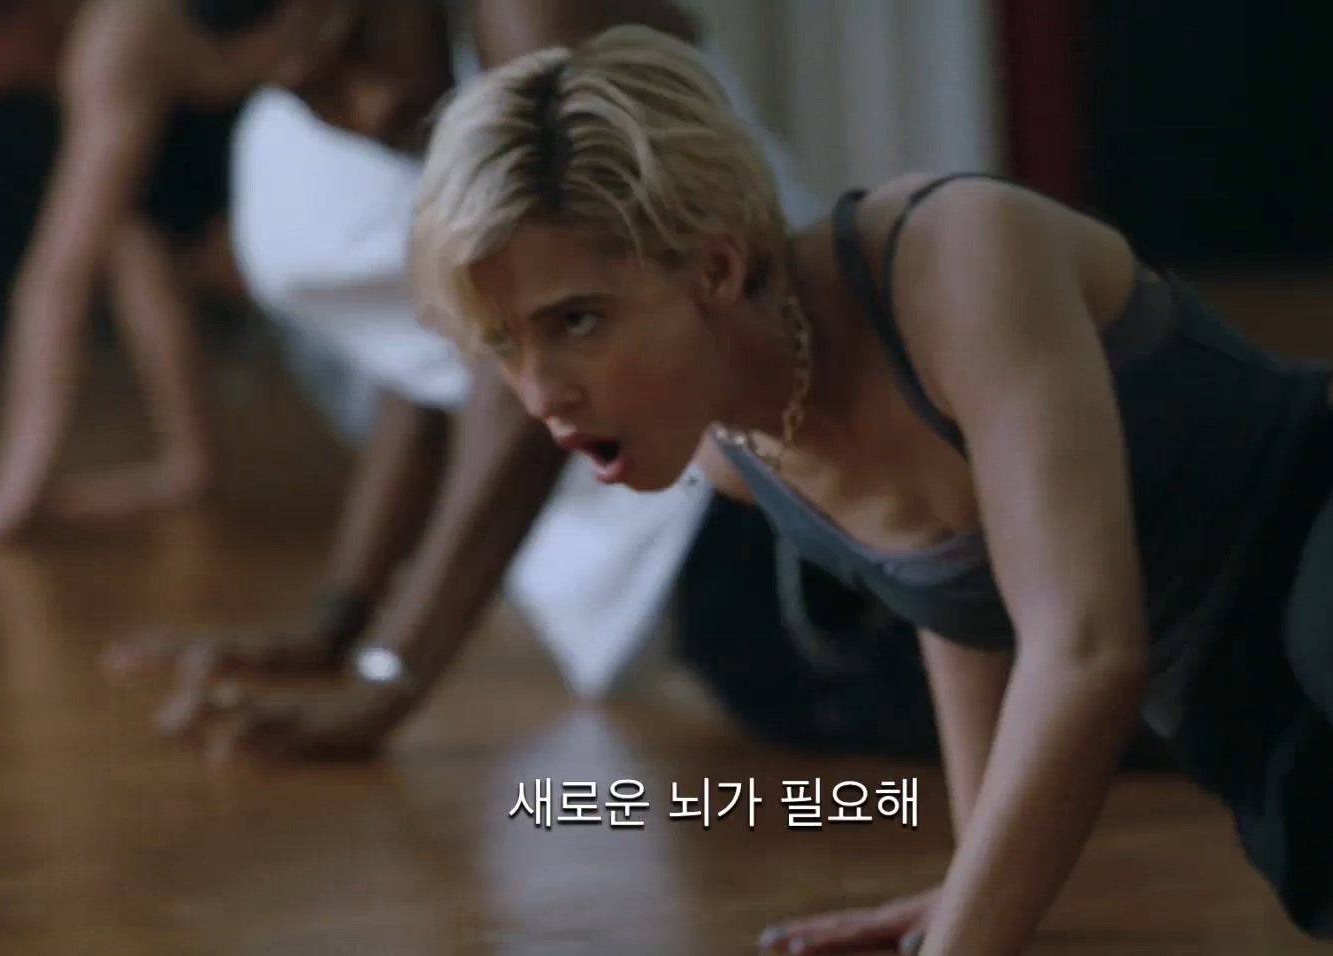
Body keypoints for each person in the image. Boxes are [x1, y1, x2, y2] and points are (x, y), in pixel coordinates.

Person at [404, 24, 1333, 956]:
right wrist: (971, 885)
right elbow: (964, 603)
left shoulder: (945, 260)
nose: (540, 392)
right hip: (1253, 685)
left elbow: (1086, 645)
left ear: (714, 268)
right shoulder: (740, 459)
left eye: (576, 319)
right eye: (505, 343)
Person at [102, 0, 942, 766]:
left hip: (802, 469)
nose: (375, 103)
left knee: (973, 678)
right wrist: (340, 623)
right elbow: (422, 381)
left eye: (365, 41)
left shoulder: (531, 27)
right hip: (689, 555)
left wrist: (389, 681)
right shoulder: (303, 183)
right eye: (314, 93)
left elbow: (515, 398)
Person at [0, 0, 269, 549]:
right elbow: (133, 256)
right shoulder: (101, 49)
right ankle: (187, 460)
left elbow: (61, 277)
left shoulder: (118, 36)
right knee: (132, 228)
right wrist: (188, 468)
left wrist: (6, 501)